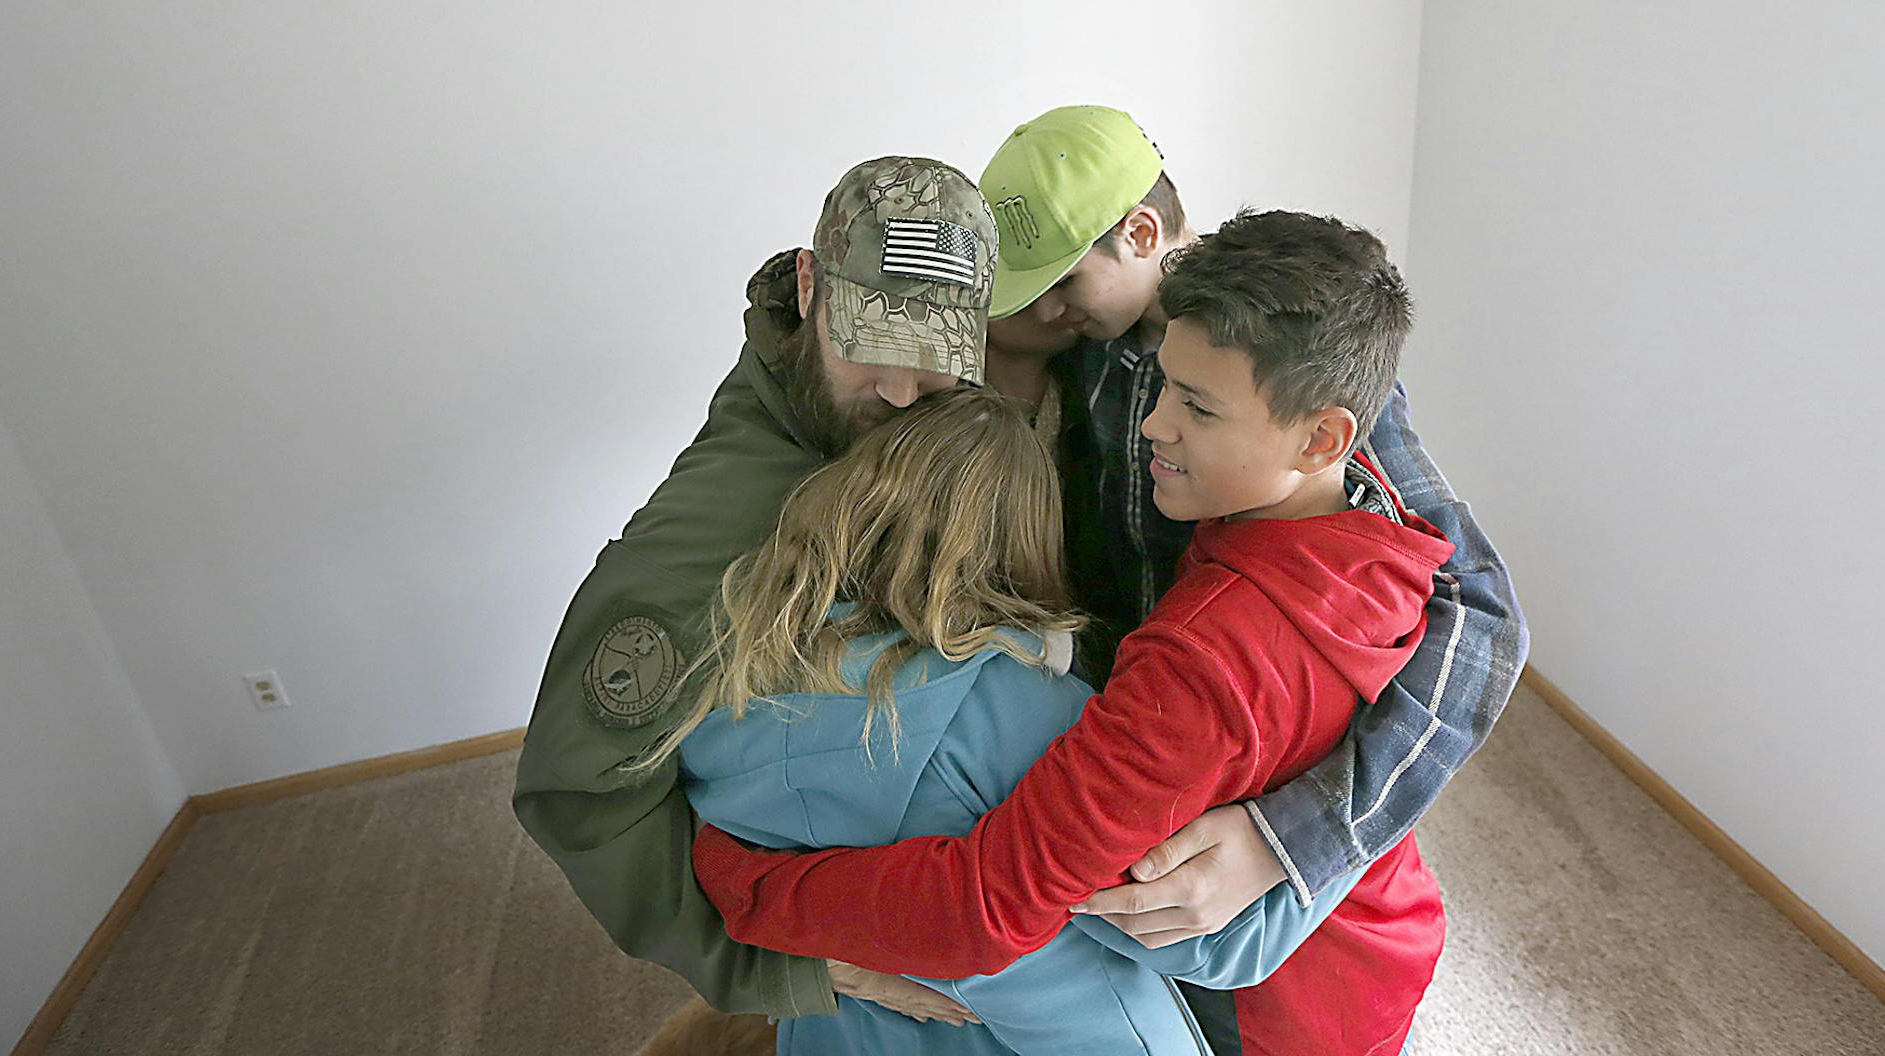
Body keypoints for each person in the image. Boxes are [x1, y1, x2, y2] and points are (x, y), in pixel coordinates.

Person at [697, 212, 1457, 1055]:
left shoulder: (1201, 662)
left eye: (1198, 408)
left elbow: (986, 909)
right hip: (1386, 926)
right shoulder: (1371, 529)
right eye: (1166, 385)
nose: (1154, 424)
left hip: (1285, 1011)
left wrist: (741, 884)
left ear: (1323, 439)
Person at [977, 109, 1526, 1038]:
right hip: (1158, 724)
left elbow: (1482, 616)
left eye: (1063, 284)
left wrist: (1294, 841)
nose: (1045, 314)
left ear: (1140, 235)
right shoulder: (1092, 349)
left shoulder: (1301, 374)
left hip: (1266, 738)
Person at [642, 385, 1354, 1054]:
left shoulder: (730, 674)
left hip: (847, 1025)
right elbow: (1215, 942)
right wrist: (1345, 826)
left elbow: (717, 850)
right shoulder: (1032, 714)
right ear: (1025, 538)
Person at [512, 156, 1003, 1022]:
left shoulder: (883, 411)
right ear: (809, 287)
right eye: (870, 346)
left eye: (934, 360)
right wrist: (776, 966)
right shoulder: (709, 548)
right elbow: (577, 791)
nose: (900, 392)